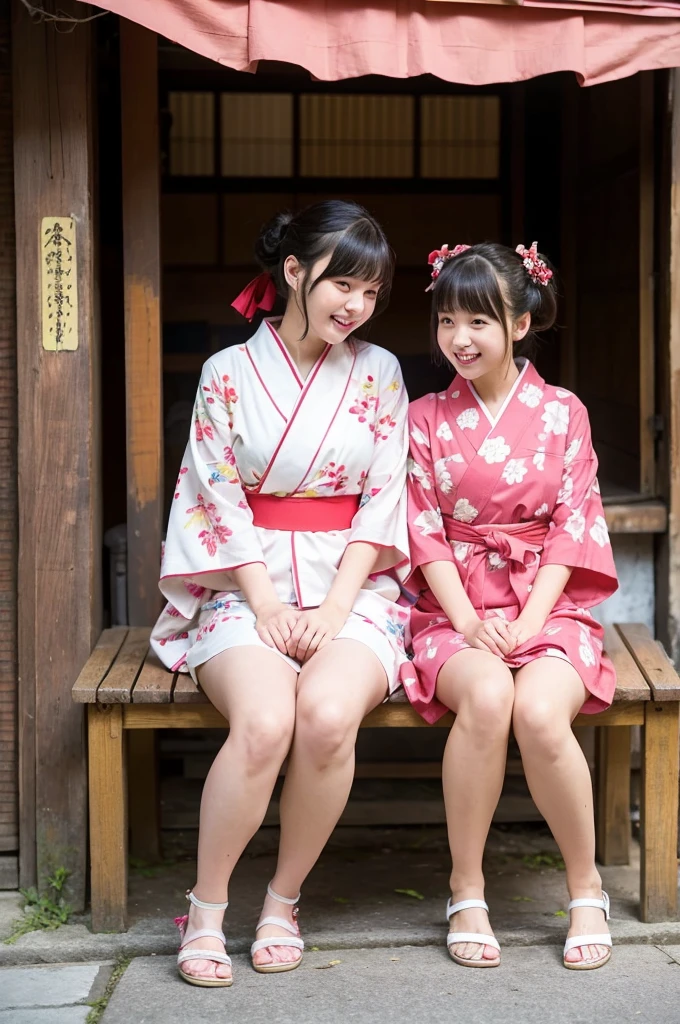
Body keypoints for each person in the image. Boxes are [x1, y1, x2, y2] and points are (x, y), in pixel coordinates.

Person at [151, 200, 411, 987]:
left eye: (371, 293)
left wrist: (334, 609)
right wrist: (265, 603)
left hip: (353, 587)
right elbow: (215, 496)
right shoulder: (227, 374)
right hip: (243, 578)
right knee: (264, 723)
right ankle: (204, 910)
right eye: (343, 285)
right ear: (294, 272)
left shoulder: (381, 372)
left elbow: (384, 495)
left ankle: (282, 901)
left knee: (328, 718)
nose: (356, 306)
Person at [405, 241, 618, 971]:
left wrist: (529, 622)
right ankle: (467, 886)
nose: (459, 339)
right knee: (491, 696)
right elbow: (420, 529)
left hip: (545, 602)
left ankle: (585, 886)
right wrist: (468, 621)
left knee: (538, 710)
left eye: (479, 321)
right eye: (446, 321)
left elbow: (574, 525)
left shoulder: (563, 413)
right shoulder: (424, 417)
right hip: (452, 606)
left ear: (521, 324)